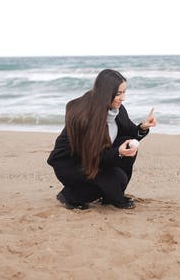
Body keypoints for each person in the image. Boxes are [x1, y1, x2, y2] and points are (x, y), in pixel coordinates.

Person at [47, 69, 157, 210]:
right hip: (72, 163)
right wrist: (118, 152)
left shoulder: (117, 109)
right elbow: (92, 154)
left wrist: (143, 127)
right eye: (118, 94)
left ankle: (112, 196)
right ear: (106, 93)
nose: (123, 98)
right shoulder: (85, 117)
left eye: (124, 92)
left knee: (127, 145)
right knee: (114, 179)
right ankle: (69, 196)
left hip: (96, 158)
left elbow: (130, 133)